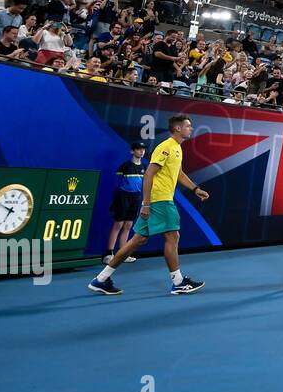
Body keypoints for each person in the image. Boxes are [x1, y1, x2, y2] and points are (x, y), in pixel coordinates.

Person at [88, 114, 208, 295]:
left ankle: (101, 279)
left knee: (138, 240)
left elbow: (179, 173)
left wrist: (195, 189)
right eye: (188, 126)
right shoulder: (166, 147)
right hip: (160, 200)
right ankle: (178, 282)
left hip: (159, 199)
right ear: (177, 128)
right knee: (172, 236)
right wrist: (146, 204)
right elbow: (149, 174)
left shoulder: (177, 148)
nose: (191, 128)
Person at [106, 141, 147, 263]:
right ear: (132, 151)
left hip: (136, 198)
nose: (141, 151)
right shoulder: (124, 166)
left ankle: (122, 254)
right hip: (123, 197)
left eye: (143, 149)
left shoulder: (144, 168)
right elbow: (116, 184)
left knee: (128, 225)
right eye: (138, 149)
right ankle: (108, 254)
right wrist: (116, 200)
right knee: (118, 224)